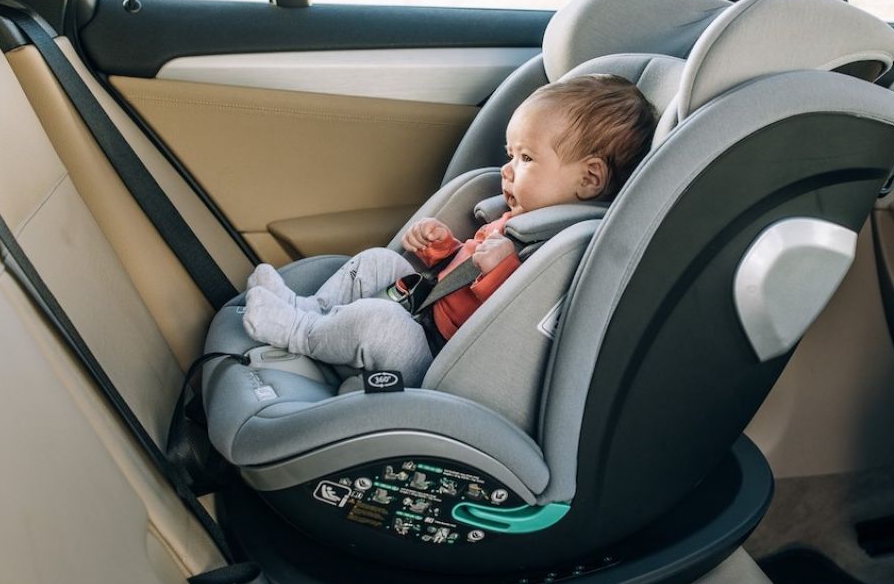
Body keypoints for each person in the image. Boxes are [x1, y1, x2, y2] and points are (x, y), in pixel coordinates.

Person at [242, 74, 657, 386]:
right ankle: (308, 307)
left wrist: (500, 269)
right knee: (378, 262)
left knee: (379, 322)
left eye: (527, 158)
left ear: (589, 179)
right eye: (510, 154)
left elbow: (513, 318)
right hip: (427, 310)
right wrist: (441, 248)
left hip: (437, 359)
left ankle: (299, 332)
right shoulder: (520, 219)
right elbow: (461, 271)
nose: (507, 170)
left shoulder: (564, 247)